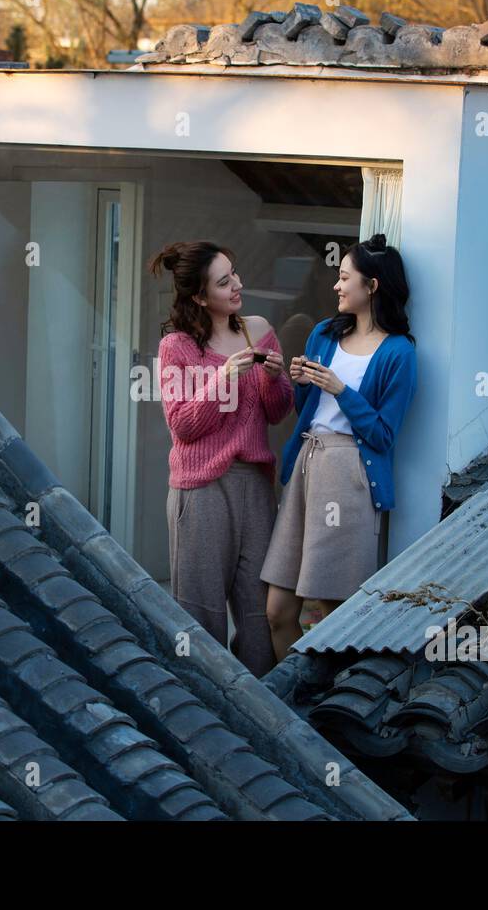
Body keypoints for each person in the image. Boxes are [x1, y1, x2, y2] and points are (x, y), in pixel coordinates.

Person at [262, 233, 417, 661]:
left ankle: (331, 708)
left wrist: (341, 389)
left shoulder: (398, 353)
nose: (336, 286)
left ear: (372, 287)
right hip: (307, 467)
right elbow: (306, 412)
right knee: (277, 610)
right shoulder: (323, 334)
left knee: (335, 614)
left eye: (345, 277)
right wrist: (299, 382)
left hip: (349, 477)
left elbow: (384, 435)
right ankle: (292, 703)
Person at [153, 240, 293, 676]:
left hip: (255, 484)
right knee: (201, 614)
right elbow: (183, 425)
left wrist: (273, 379)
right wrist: (223, 379)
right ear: (199, 296)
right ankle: (208, 714)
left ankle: (264, 713)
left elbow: (277, 411)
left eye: (234, 274)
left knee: (261, 614)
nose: (237, 286)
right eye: (224, 281)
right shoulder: (177, 347)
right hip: (201, 489)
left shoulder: (259, 329)